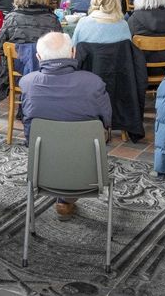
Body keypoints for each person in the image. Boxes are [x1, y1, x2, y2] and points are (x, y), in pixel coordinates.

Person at [18, 32, 111, 220]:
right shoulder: (93, 83)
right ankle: (66, 199)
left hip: (41, 158)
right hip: (86, 159)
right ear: (73, 53)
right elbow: (107, 121)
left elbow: (25, 119)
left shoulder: (27, 83)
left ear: (38, 57)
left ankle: (64, 196)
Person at [0, 0, 63, 99]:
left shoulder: (11, 18)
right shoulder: (51, 19)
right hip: (45, 69)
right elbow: (60, 45)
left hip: (17, 71)